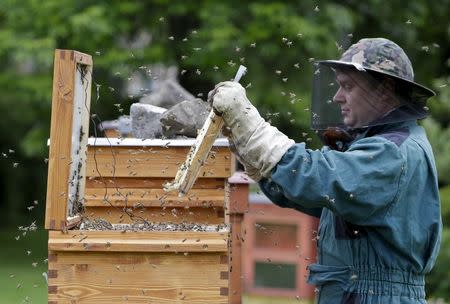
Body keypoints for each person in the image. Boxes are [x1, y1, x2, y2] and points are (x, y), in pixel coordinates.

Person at [208, 38, 442, 303]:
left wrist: (254, 131)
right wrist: (246, 147)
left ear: (385, 90)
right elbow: (308, 193)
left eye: (347, 86)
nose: (337, 97)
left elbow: (320, 177)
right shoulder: (377, 147)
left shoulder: (392, 152)